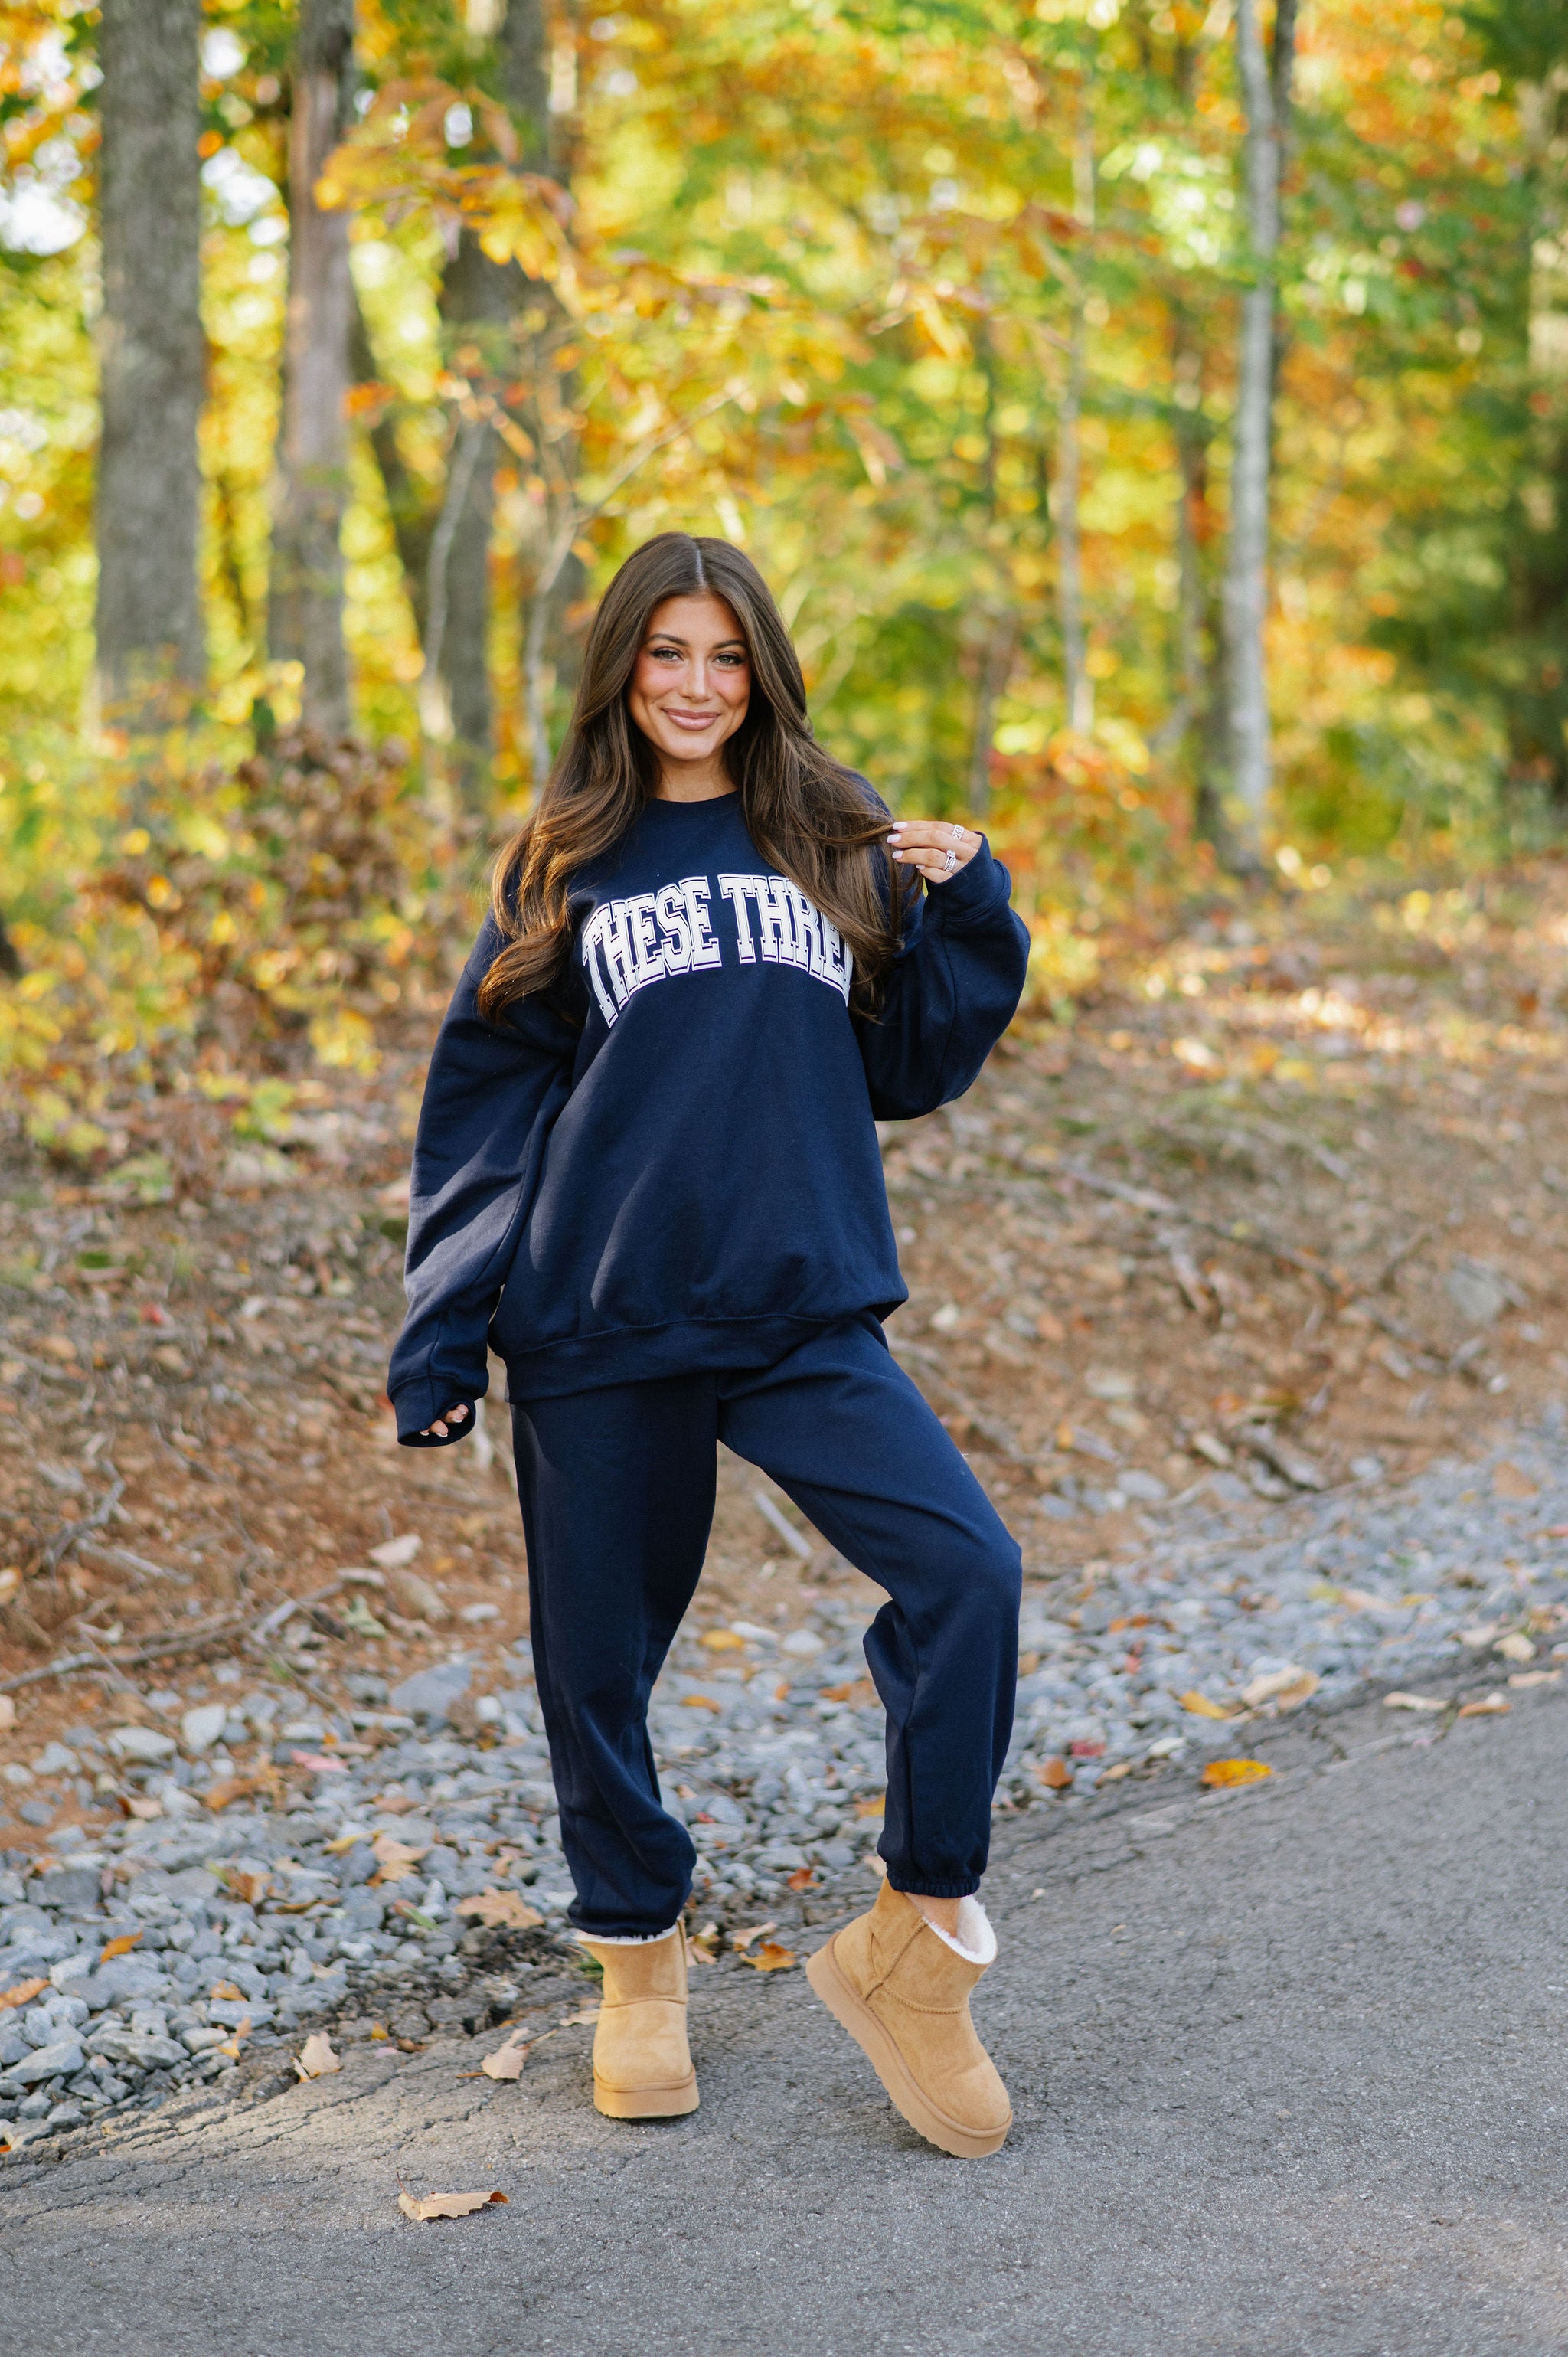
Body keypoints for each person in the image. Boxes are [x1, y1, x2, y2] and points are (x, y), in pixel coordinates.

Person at [387, 532, 1031, 2159]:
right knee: (596, 1660)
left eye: (724, 655)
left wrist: (968, 906)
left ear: (762, 670)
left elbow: (908, 1064)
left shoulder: (829, 830)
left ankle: (916, 1941)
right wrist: (444, 1322)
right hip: (600, 1316)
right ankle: (637, 1960)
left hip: (799, 1307)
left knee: (968, 1574)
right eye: (665, 654)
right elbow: (485, 1107)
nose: (694, 685)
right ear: (623, 670)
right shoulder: (564, 858)